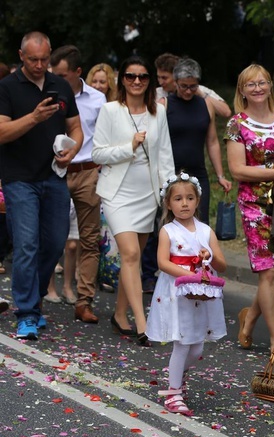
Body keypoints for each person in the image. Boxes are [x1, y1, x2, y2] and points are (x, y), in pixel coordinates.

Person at [0, 31, 83, 339]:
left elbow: (75, 126)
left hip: (54, 177)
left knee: (54, 243)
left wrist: (72, 150)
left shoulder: (60, 85)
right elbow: (1, 133)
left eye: (44, 59)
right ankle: (27, 312)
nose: (39, 65)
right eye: (33, 59)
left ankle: (32, 300)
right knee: (26, 245)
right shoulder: (6, 88)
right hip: (19, 178)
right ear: (21, 56)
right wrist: (33, 118)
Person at [92, 55, 175, 346]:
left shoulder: (159, 113)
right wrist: (129, 146)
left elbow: (165, 155)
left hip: (148, 195)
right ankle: (143, 323)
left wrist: (170, 193)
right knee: (129, 254)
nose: (136, 81)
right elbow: (98, 154)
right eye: (130, 76)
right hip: (117, 194)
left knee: (134, 258)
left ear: (149, 80)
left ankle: (119, 314)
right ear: (122, 80)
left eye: (142, 76)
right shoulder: (110, 110)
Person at [225, 63, 274, 360]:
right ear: (242, 91)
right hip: (255, 205)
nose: (257, 88)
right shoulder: (237, 124)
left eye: (262, 83)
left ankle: (249, 318)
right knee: (268, 270)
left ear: (270, 86)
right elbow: (237, 169)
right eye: (251, 84)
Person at [146, 172, 227, 415]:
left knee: (197, 348)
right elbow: (162, 262)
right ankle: (173, 394)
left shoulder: (206, 231)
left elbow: (221, 264)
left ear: (197, 201)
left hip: (201, 293)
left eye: (189, 198)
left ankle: (177, 375)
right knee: (182, 343)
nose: (184, 203)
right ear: (169, 204)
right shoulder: (168, 231)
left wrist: (208, 256)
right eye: (178, 199)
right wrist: (186, 273)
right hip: (177, 291)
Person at [50, 44, 107, 323]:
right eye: (54, 73)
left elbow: (106, 136)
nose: (57, 79)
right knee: (50, 234)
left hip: (87, 172)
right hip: (54, 170)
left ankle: (84, 301)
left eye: (63, 75)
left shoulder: (98, 99)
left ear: (78, 72)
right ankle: (44, 290)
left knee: (89, 239)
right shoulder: (47, 95)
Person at [162, 57, 231, 223]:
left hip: (198, 172)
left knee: (200, 223)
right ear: (176, 82)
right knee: (172, 225)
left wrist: (220, 175)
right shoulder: (164, 104)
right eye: (183, 86)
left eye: (192, 86)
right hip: (171, 172)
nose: (187, 91)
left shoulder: (205, 104)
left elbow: (212, 141)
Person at [85, 62, 120, 293]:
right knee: (88, 227)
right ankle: (85, 272)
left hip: (109, 169)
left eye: (102, 81)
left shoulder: (116, 108)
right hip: (88, 168)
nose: (98, 85)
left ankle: (108, 273)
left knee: (108, 226)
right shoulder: (84, 105)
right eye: (94, 81)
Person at [154, 53, 231, 119]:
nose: (160, 82)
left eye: (164, 78)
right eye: (158, 77)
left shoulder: (199, 90)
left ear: (176, 76)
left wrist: (201, 94)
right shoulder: (156, 94)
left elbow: (226, 112)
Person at [45, 200, 79, 305]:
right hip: (55, 190)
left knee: (73, 246)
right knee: (52, 243)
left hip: (74, 193)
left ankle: (67, 287)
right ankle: (50, 288)